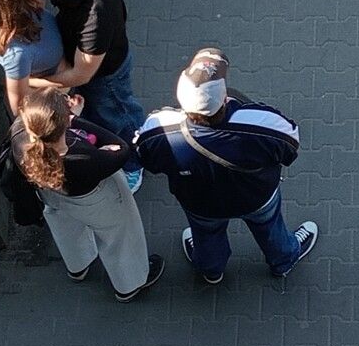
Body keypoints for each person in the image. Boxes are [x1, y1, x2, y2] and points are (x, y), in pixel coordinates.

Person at [134, 48, 317, 284]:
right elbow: (290, 146)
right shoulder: (260, 123)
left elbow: (144, 157)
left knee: (206, 234)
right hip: (257, 196)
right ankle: (283, 261)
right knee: (269, 226)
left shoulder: (158, 129)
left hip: (199, 203)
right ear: (224, 98)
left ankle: (211, 270)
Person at [13, 88, 163, 302]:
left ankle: (78, 265)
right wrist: (77, 121)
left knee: (65, 226)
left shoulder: (19, 135)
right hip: (95, 200)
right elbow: (121, 148)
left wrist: (66, 120)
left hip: (50, 195)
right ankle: (129, 284)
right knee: (120, 234)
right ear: (64, 123)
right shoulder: (84, 158)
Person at [26, 0, 146, 192]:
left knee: (117, 117)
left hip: (106, 77)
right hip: (80, 57)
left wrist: (34, 81)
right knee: (97, 113)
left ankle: (134, 164)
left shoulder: (97, 13)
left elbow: (82, 74)